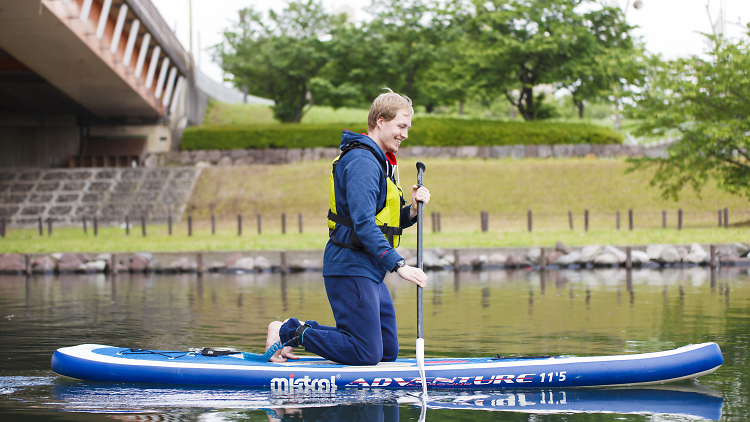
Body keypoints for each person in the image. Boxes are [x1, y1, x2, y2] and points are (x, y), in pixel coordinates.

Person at [265, 88, 430, 365]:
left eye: (408, 127)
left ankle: (294, 332)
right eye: (401, 126)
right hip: (350, 264)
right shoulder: (363, 162)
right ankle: (288, 331)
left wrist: (412, 210)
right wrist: (400, 265)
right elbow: (363, 225)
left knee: (386, 352)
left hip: (369, 267)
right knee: (367, 353)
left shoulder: (377, 161)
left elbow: (382, 222)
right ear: (380, 121)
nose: (405, 134)